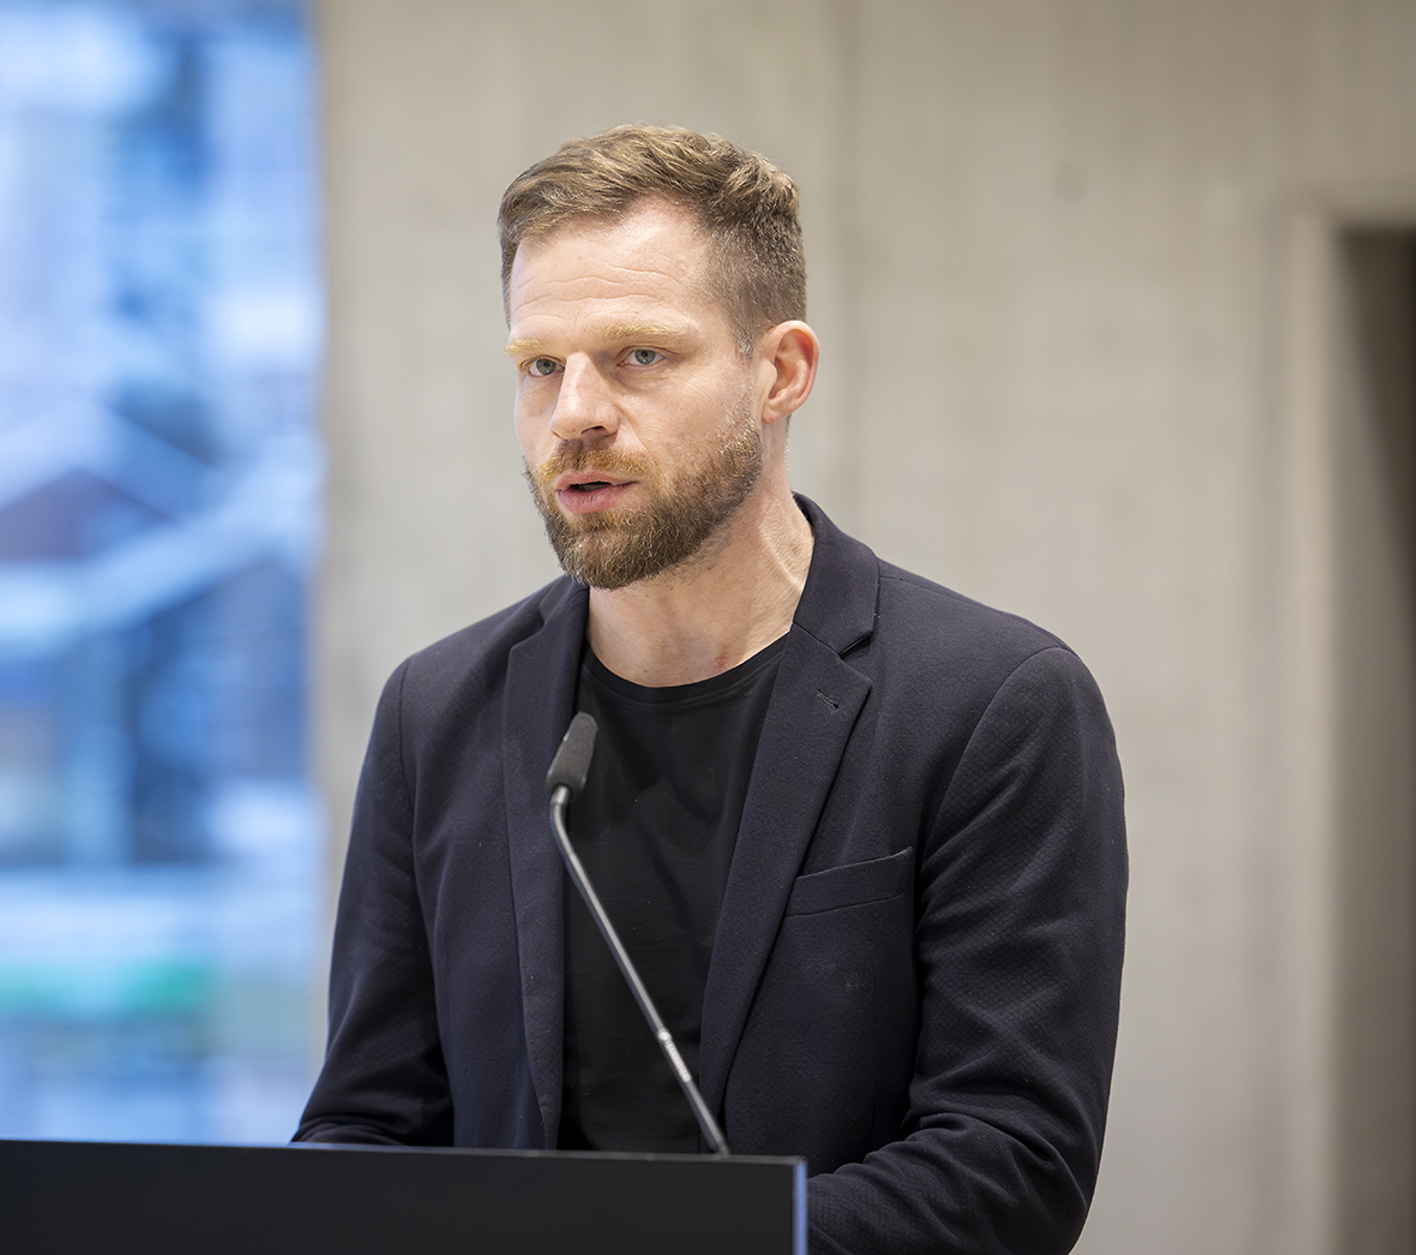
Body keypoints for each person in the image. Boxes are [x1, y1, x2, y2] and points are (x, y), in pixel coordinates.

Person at [295, 125, 1126, 1255]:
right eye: (540, 365)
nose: (574, 413)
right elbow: (367, 1124)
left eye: (639, 355)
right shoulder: (437, 711)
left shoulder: (991, 705)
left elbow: (1010, 1161)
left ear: (781, 373)